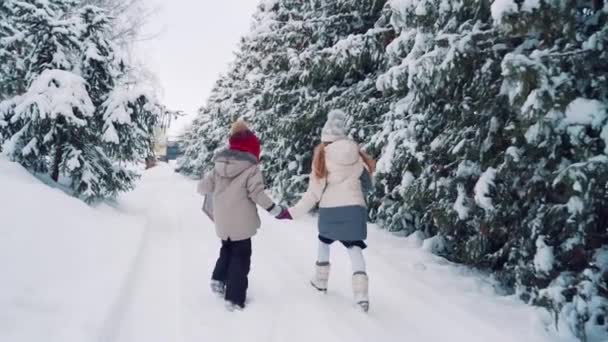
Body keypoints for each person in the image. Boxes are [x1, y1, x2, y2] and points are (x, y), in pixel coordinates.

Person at [283, 109, 375, 312]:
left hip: (330, 210)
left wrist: (292, 212)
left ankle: (321, 281)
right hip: (354, 209)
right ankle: (361, 296)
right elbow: (369, 185)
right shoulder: (357, 155)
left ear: (326, 137)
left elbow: (313, 194)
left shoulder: (323, 156)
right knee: (355, 248)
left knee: (324, 241)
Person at [197, 119, 289, 311]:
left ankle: (218, 278)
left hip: (223, 220)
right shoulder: (251, 168)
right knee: (241, 257)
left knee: (226, 249)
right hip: (242, 221)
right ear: (252, 148)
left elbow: (202, 187)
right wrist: (275, 209)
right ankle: (234, 298)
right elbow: (257, 193)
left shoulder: (219, 165)